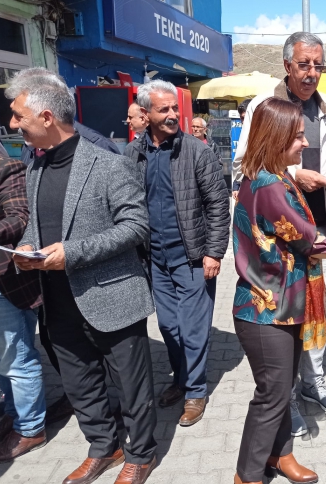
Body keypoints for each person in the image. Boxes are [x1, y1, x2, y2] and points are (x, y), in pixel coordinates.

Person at [8, 69, 158, 484]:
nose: (13, 124)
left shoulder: (109, 164)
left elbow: (136, 227)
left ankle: (141, 454)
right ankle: (103, 446)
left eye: (19, 116)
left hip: (111, 297)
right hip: (57, 299)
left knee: (131, 387)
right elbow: (38, 224)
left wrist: (71, 253)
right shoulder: (36, 167)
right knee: (80, 384)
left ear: (46, 117)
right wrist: (27, 245)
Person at [232, 97, 326, 484]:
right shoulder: (268, 185)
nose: (305, 143)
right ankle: (247, 475)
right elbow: (310, 242)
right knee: (271, 395)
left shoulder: (278, 176)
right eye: (298, 136)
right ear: (276, 137)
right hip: (264, 310)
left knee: (282, 390)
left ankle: (281, 455)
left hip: (286, 304)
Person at [231, 32, 326, 436]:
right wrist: (293, 176)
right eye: (304, 64)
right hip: (281, 237)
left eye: (318, 65)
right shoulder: (264, 107)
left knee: (316, 307)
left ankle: (314, 382)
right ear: (287, 65)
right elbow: (245, 164)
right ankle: (285, 401)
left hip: (322, 223)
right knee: (287, 314)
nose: (312, 73)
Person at [124, 80, 230, 427]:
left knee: (193, 328)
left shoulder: (197, 151)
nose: (172, 115)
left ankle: (196, 391)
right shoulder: (133, 154)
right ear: (145, 114)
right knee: (169, 325)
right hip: (155, 259)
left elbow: (218, 205)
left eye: (175, 108)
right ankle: (182, 379)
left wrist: (214, 253)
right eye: (164, 109)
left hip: (193, 257)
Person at [0, 145, 46, 463]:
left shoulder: (5, 168)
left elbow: (19, 220)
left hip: (3, 284)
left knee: (16, 360)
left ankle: (30, 428)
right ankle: (13, 416)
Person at [231, 99, 252, 201]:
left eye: (246, 118)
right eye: (242, 118)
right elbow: (240, 160)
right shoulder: (244, 134)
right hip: (246, 183)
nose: (243, 121)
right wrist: (236, 186)